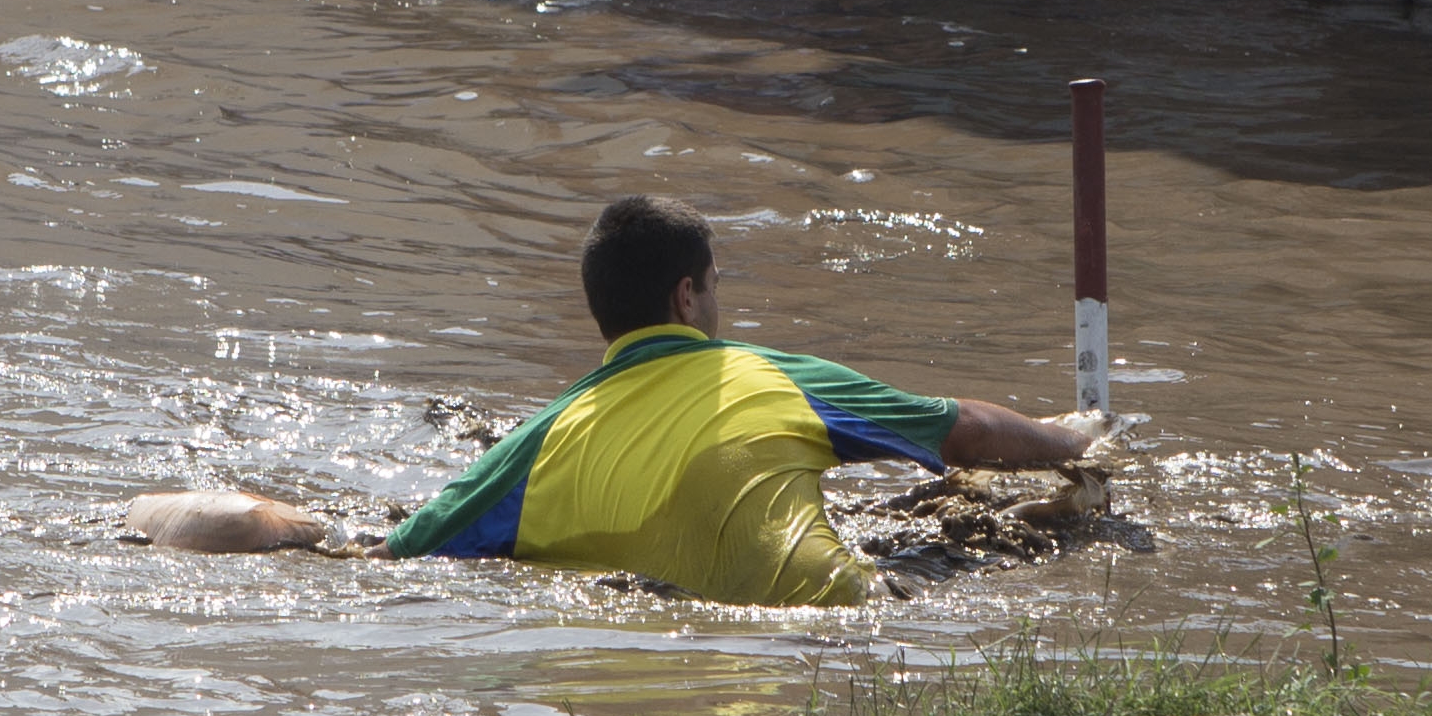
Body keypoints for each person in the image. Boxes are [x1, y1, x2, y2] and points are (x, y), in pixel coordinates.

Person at [386, 196, 1099, 605]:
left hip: (627, 647)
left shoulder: (537, 441)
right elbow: (966, 432)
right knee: (1018, 542)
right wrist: (1075, 440)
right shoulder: (768, 375)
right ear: (686, 295)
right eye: (716, 283)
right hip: (838, 625)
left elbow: (407, 551)